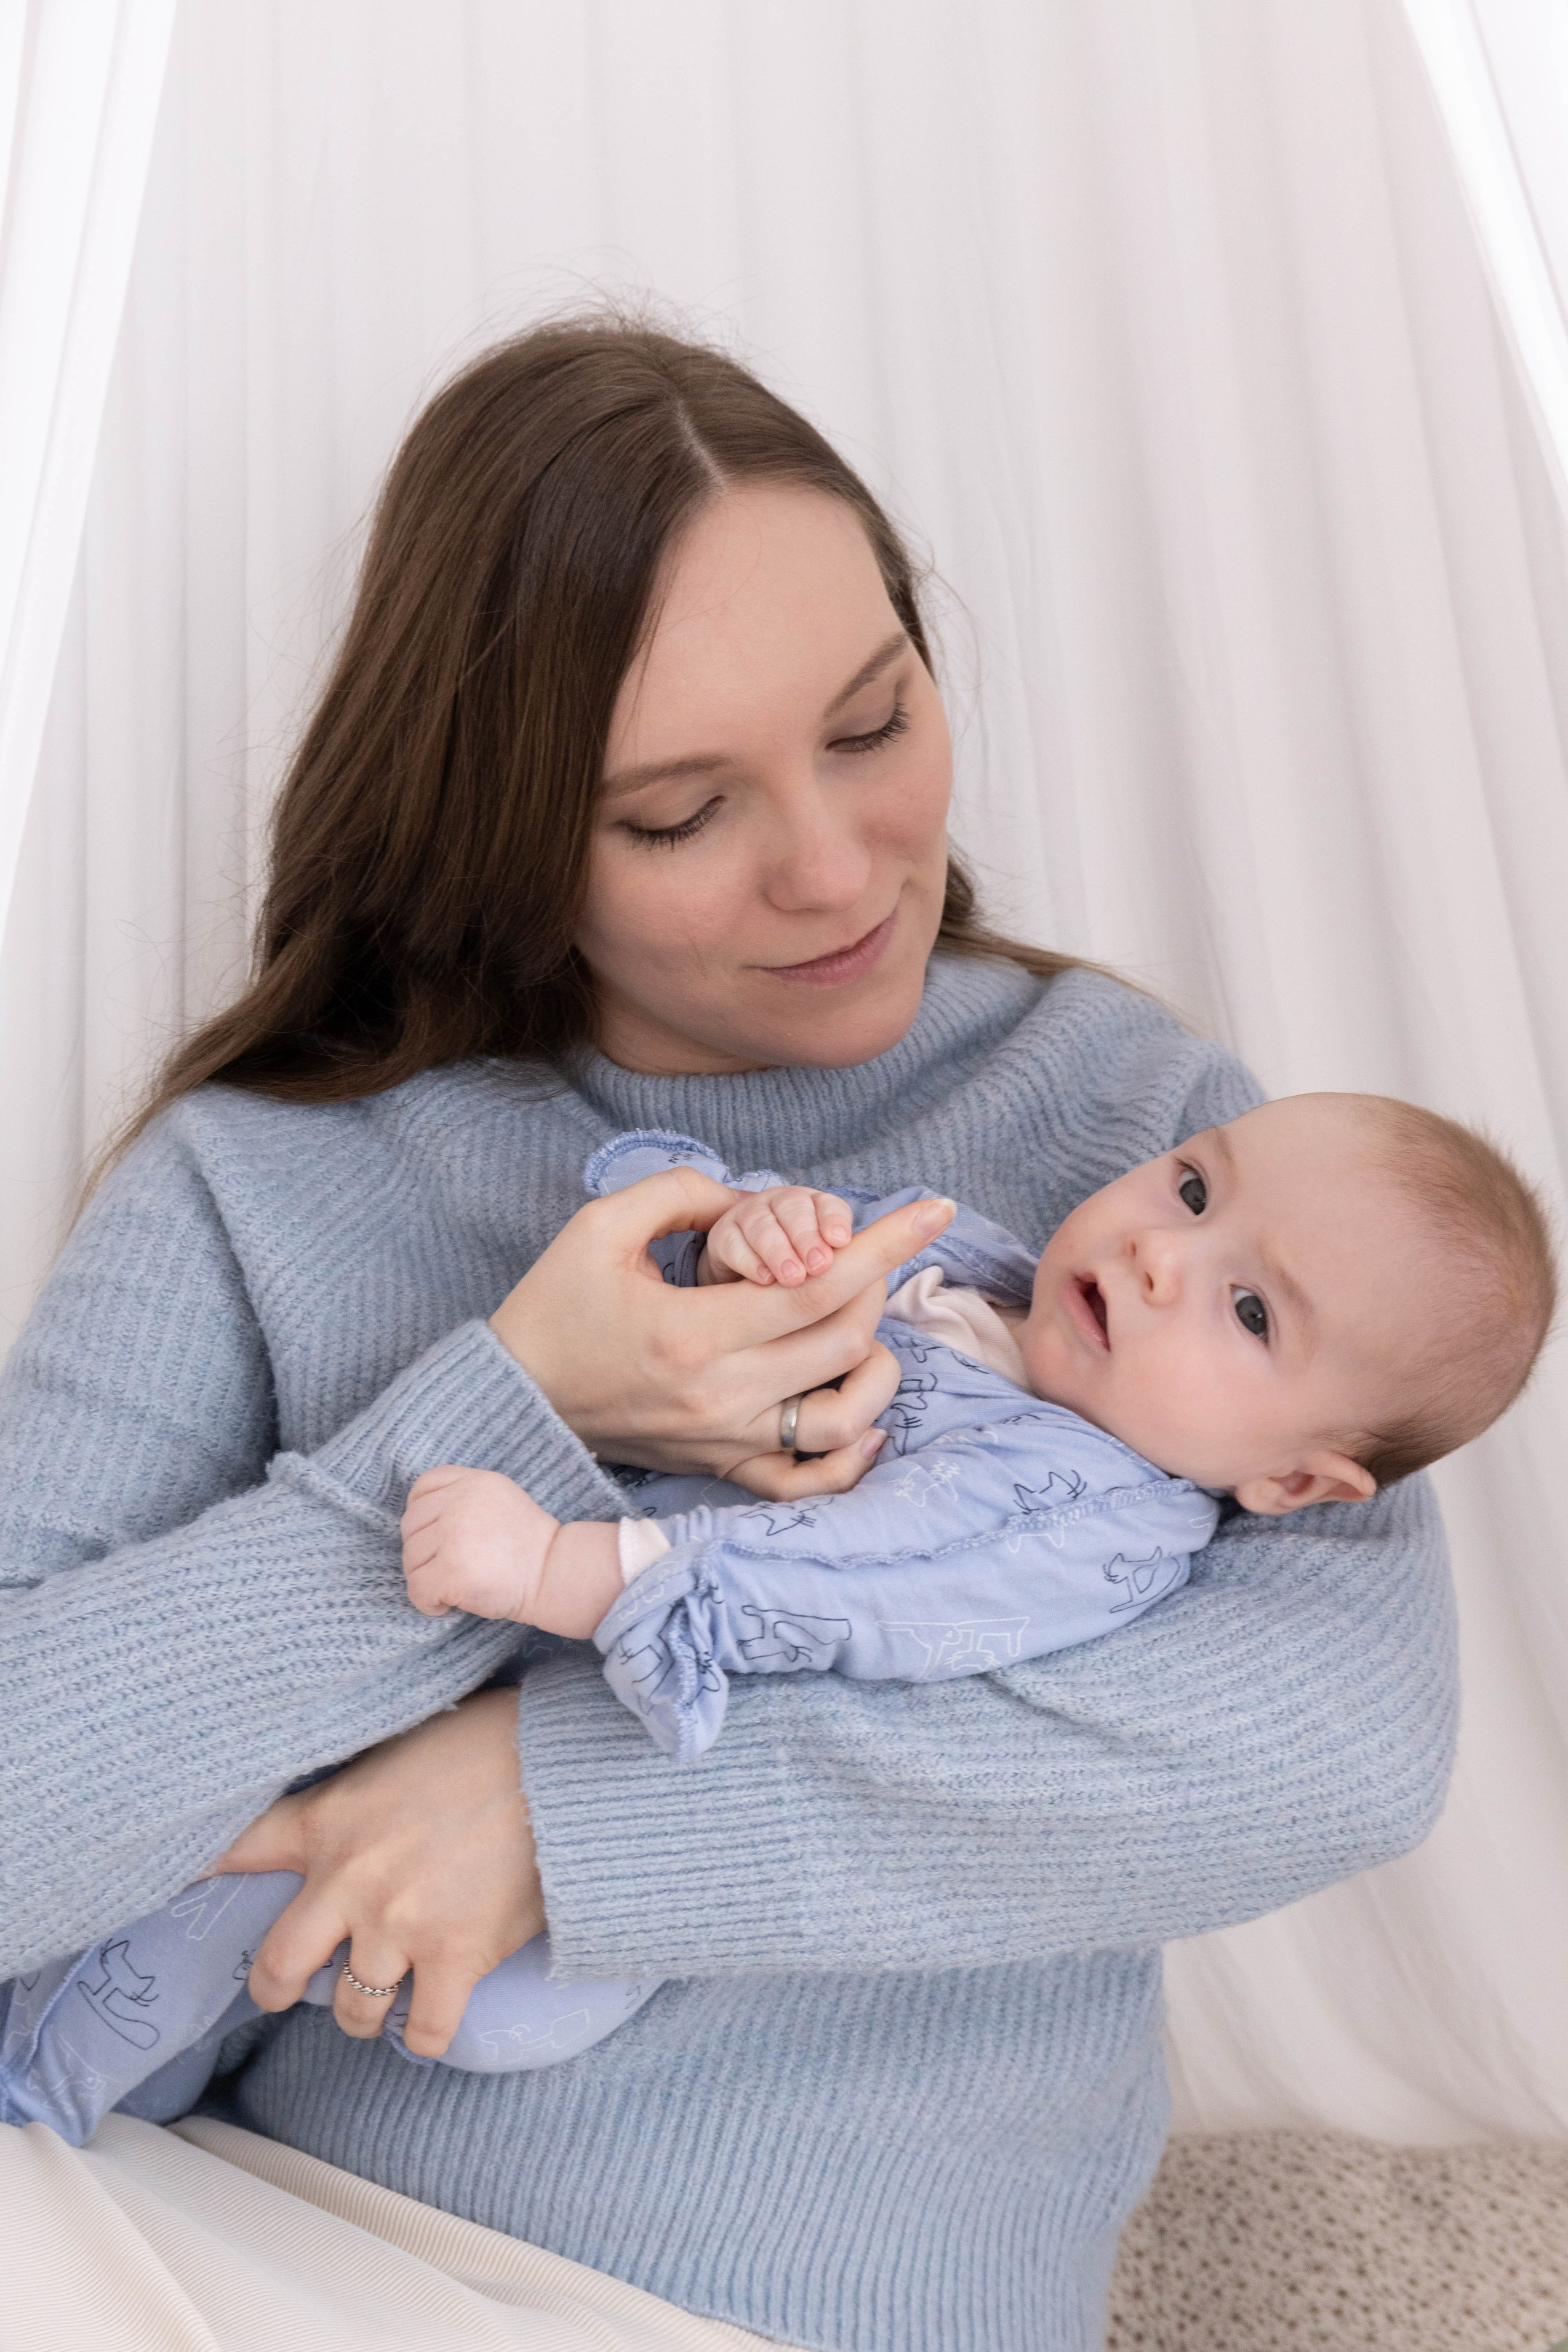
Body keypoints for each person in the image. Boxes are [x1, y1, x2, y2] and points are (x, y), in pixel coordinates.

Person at [0, 317, 1460, 2352]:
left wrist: (559, 1805)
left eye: (874, 723)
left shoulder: (1144, 1153)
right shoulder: (268, 1178)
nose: (841, 868)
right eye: (682, 815)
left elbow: (1339, 1741)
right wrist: (518, 1410)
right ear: (500, 835)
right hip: (250, 2251)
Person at [7, 1087, 1547, 2153]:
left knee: (247, 1900)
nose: (1160, 1252)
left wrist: (554, 1565)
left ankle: (41, 2094)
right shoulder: (986, 1276)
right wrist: (751, 1242)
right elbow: (759, 1272)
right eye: (1192, 1188)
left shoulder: (1087, 1517)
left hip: (594, 1836)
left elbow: (837, 1588)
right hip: (495, 1692)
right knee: (259, 1894)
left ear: (1292, 1483)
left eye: (1249, 1312)